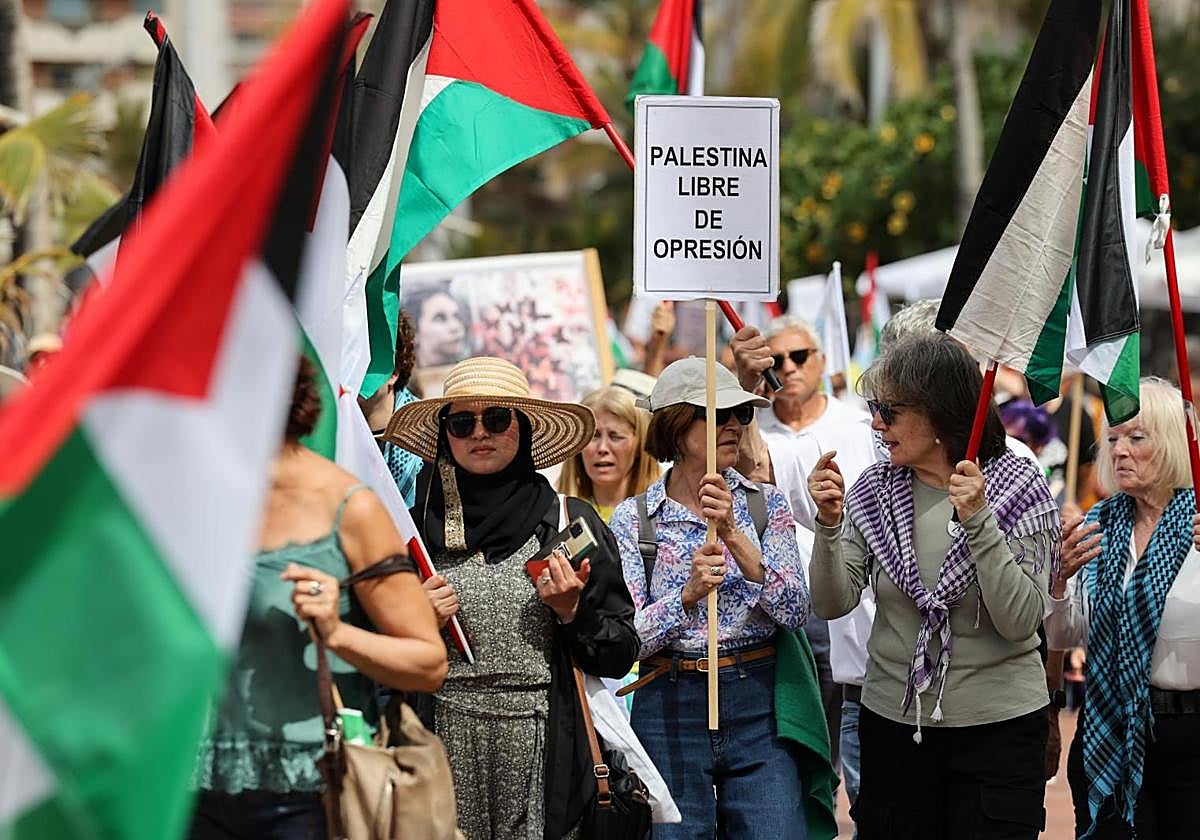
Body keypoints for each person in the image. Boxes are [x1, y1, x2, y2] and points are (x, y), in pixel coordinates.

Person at [808, 334, 1058, 840]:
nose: (877, 424)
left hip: (1000, 730)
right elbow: (832, 602)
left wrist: (978, 519)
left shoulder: (1017, 485)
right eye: (875, 409)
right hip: (895, 727)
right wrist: (829, 524)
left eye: (890, 411)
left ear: (938, 414)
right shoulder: (872, 490)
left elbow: (1020, 619)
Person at [382, 356, 639, 840]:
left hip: (545, 747)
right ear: (445, 436)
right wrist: (414, 619)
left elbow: (621, 650)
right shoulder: (413, 531)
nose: (480, 433)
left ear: (522, 428)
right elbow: (381, 654)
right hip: (441, 745)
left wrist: (572, 614)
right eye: (462, 423)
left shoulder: (569, 522)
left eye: (496, 419)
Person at [190, 358, 447, 840]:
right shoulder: (187, 498)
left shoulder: (349, 508)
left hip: (307, 795)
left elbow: (428, 662)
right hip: (186, 789)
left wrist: (336, 631)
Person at [609, 357, 812, 839]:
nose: (736, 426)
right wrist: (686, 596)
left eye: (743, 414)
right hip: (668, 699)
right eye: (720, 414)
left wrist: (740, 540)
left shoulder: (766, 505)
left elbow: (797, 611)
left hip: (758, 696)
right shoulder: (634, 519)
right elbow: (626, 641)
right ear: (678, 427)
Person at [731, 315, 879, 799]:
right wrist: (746, 389)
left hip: (859, 624)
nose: (789, 368)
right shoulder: (754, 424)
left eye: (799, 356)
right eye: (778, 360)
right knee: (800, 749)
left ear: (821, 361)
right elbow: (752, 466)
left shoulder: (862, 428)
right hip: (782, 612)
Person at [1047, 377, 1200, 839]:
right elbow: (1068, 633)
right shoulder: (1098, 523)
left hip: (1190, 740)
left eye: (1137, 437)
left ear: (1173, 442)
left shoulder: (1198, 525)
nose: (1119, 450)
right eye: (1113, 438)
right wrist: (1060, 582)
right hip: (1108, 732)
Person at [557, 385, 661, 523]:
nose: (602, 448)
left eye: (615, 437)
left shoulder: (663, 514)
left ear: (639, 446)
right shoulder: (559, 515)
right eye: (594, 436)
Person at [361, 309, 424, 506]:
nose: (349, 373)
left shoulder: (430, 437)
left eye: (362, 362)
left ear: (392, 372)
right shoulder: (330, 434)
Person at [408, 284, 468, 369]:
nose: (455, 327)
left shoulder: (468, 375)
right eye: (439, 318)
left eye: (456, 316)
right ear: (414, 332)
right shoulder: (399, 379)